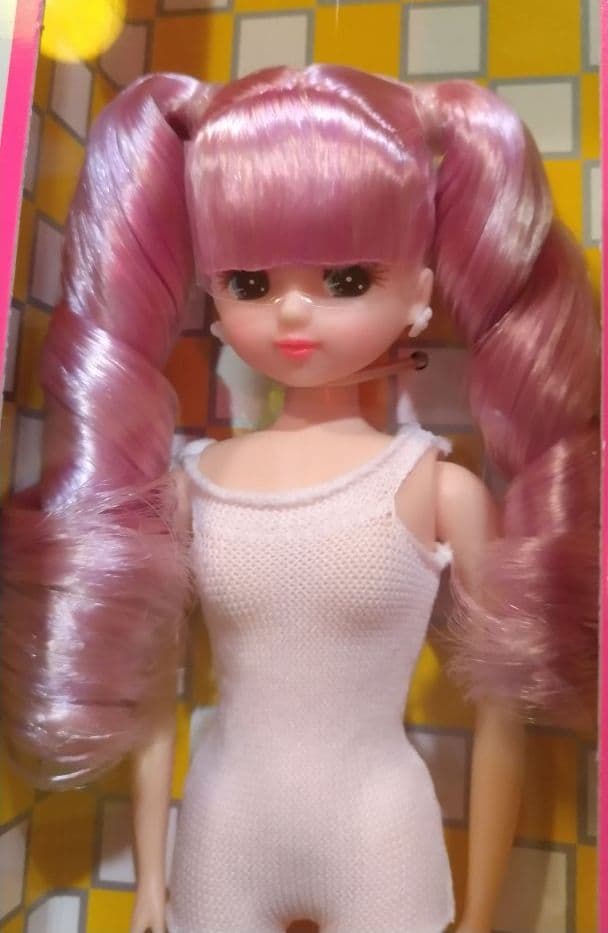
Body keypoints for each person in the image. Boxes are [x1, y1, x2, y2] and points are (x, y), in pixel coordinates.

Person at [1, 65, 599, 932]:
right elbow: (152, 680)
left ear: (420, 293)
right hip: (222, 830)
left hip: (379, 839)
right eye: (250, 283)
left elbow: (500, 714)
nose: (290, 314)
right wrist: (152, 880)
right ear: (212, 294)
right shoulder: (192, 486)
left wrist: (478, 914)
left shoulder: (437, 489)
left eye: (345, 280)